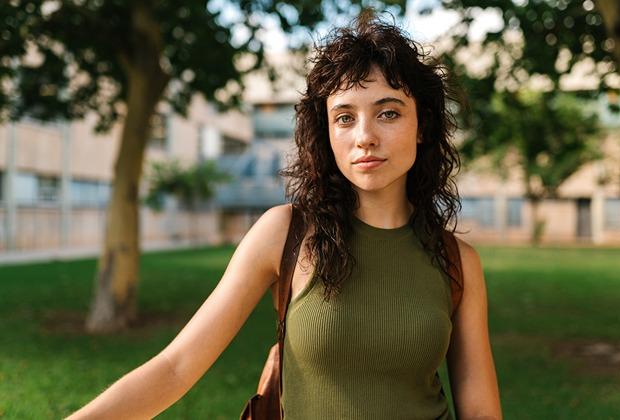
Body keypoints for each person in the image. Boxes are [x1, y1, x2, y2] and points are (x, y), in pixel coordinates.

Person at [68, 11, 502, 420]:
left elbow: (481, 411)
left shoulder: (458, 262)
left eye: (388, 113)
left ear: (421, 125)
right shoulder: (285, 232)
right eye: (345, 118)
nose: (365, 137)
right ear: (327, 133)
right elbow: (176, 367)